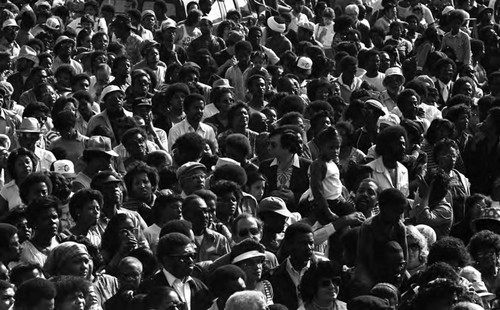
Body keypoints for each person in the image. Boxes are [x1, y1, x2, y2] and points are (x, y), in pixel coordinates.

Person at [139, 232, 213, 310]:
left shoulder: (200, 287)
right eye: (184, 257)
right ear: (166, 259)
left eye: (193, 255)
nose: (190, 260)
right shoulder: (149, 288)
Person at [355, 188, 408, 294]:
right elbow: (364, 259)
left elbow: (405, 258)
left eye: (401, 213)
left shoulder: (400, 227)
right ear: (383, 208)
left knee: (408, 281)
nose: (399, 217)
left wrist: (398, 282)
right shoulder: (368, 227)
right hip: (370, 266)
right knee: (365, 285)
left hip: (394, 267)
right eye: (396, 212)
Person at [307, 127, 354, 225]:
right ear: (321, 147)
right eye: (331, 148)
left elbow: (334, 185)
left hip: (336, 201)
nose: (336, 151)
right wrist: (328, 211)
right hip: (325, 204)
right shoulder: (318, 164)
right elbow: (317, 189)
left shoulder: (331, 162)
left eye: (338, 147)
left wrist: (342, 198)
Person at [269, 222, 318, 310]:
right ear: (288, 245)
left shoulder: (322, 272)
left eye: (311, 243)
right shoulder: (273, 277)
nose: (309, 247)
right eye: (303, 243)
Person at [259, 126, 311, 208]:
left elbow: (315, 195)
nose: (268, 148)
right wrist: (270, 196)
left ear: (288, 146)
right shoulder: (265, 166)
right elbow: (259, 192)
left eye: (273, 145)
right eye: (268, 144)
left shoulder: (308, 166)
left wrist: (295, 197)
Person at [181, 194, 230, 262]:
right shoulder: (180, 240)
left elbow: (227, 267)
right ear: (185, 215)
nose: (205, 215)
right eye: (199, 212)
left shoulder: (220, 240)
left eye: (206, 211)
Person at [366, 125, 409, 197]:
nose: (403, 148)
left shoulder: (404, 170)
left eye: (404, 144)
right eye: (399, 144)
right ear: (387, 146)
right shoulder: (370, 169)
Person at [20, 197, 60, 267]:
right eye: (45, 218)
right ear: (34, 222)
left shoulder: (62, 242)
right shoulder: (25, 251)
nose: (52, 222)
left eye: (54, 217)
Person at [231, 239, 274, 305]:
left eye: (259, 261)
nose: (257, 266)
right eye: (249, 263)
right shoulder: (233, 293)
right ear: (237, 267)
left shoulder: (267, 285)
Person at [0, 147, 37, 216]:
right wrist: (14, 212)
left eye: (27, 162)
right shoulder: (7, 189)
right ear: (13, 168)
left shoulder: (41, 185)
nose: (26, 166)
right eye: (20, 164)